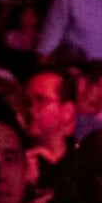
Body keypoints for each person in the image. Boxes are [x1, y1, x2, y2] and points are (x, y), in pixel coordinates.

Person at [20, 67, 79, 195]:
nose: (31, 109)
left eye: (41, 100)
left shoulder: (81, 166)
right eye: (27, 102)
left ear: (67, 111)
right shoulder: (13, 158)